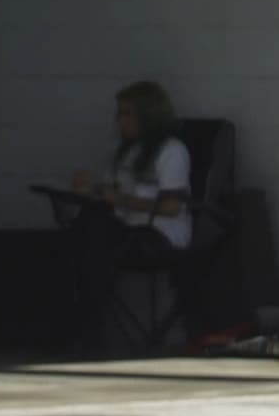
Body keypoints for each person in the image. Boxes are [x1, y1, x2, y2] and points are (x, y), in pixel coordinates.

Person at [61, 80, 195, 343]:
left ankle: (88, 325)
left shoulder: (172, 151)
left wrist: (122, 200)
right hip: (125, 229)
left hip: (159, 236)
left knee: (92, 238)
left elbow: (172, 206)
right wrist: (91, 189)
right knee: (88, 227)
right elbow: (112, 192)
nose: (120, 121)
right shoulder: (124, 151)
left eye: (127, 114)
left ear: (148, 115)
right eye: (119, 114)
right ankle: (83, 317)